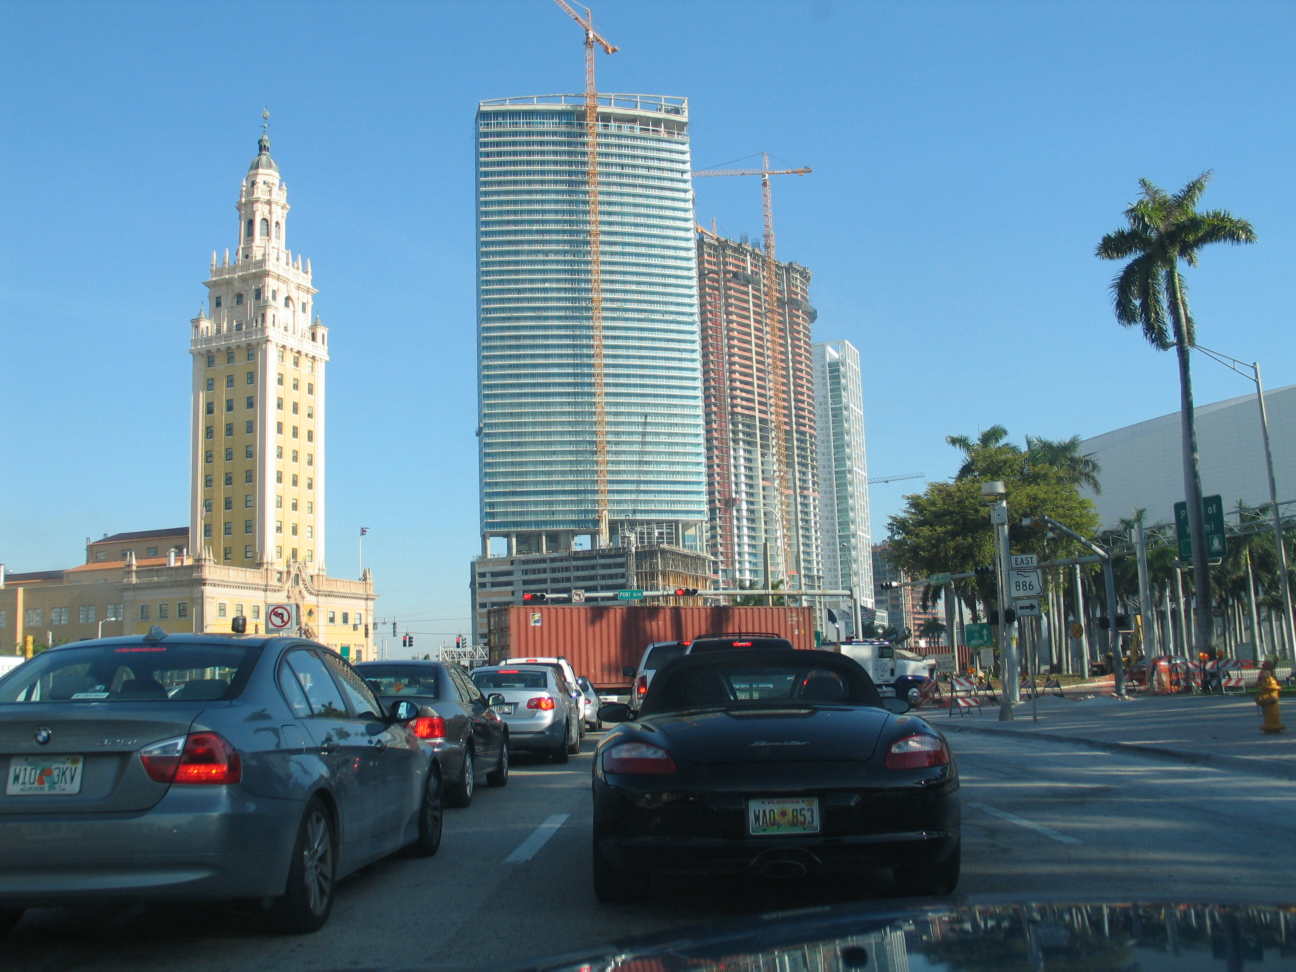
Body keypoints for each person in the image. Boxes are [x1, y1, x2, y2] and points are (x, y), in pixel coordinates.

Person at [1255, 659, 1285, 734]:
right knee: (1270, 713)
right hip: (1269, 697)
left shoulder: (1267, 673)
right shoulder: (1265, 674)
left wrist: (1278, 686)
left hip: (1271, 697)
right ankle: (1271, 726)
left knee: (1272, 713)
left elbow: (1274, 682)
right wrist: (1278, 687)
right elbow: (1267, 685)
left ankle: (1273, 725)